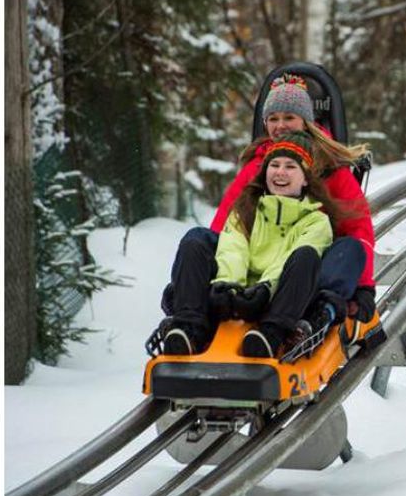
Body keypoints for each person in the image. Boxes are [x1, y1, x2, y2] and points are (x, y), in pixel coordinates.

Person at [155, 74, 376, 354]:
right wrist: (225, 282)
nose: (280, 125)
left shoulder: (330, 169)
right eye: (273, 119)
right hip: (251, 264)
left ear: (306, 121)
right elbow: (227, 229)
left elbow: (358, 228)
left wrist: (363, 287)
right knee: (197, 239)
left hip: (299, 270)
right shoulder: (258, 166)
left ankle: (315, 314)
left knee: (346, 249)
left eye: (289, 118)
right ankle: (189, 322)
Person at [158, 132, 347, 358]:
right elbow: (233, 248)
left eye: (290, 167)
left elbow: (288, 261)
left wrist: (265, 290)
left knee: (306, 256)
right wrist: (228, 285)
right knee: (194, 240)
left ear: (306, 179)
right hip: (237, 295)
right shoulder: (245, 209)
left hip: (276, 298)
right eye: (274, 165)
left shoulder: (316, 221)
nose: (280, 172)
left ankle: (271, 335)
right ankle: (190, 329)